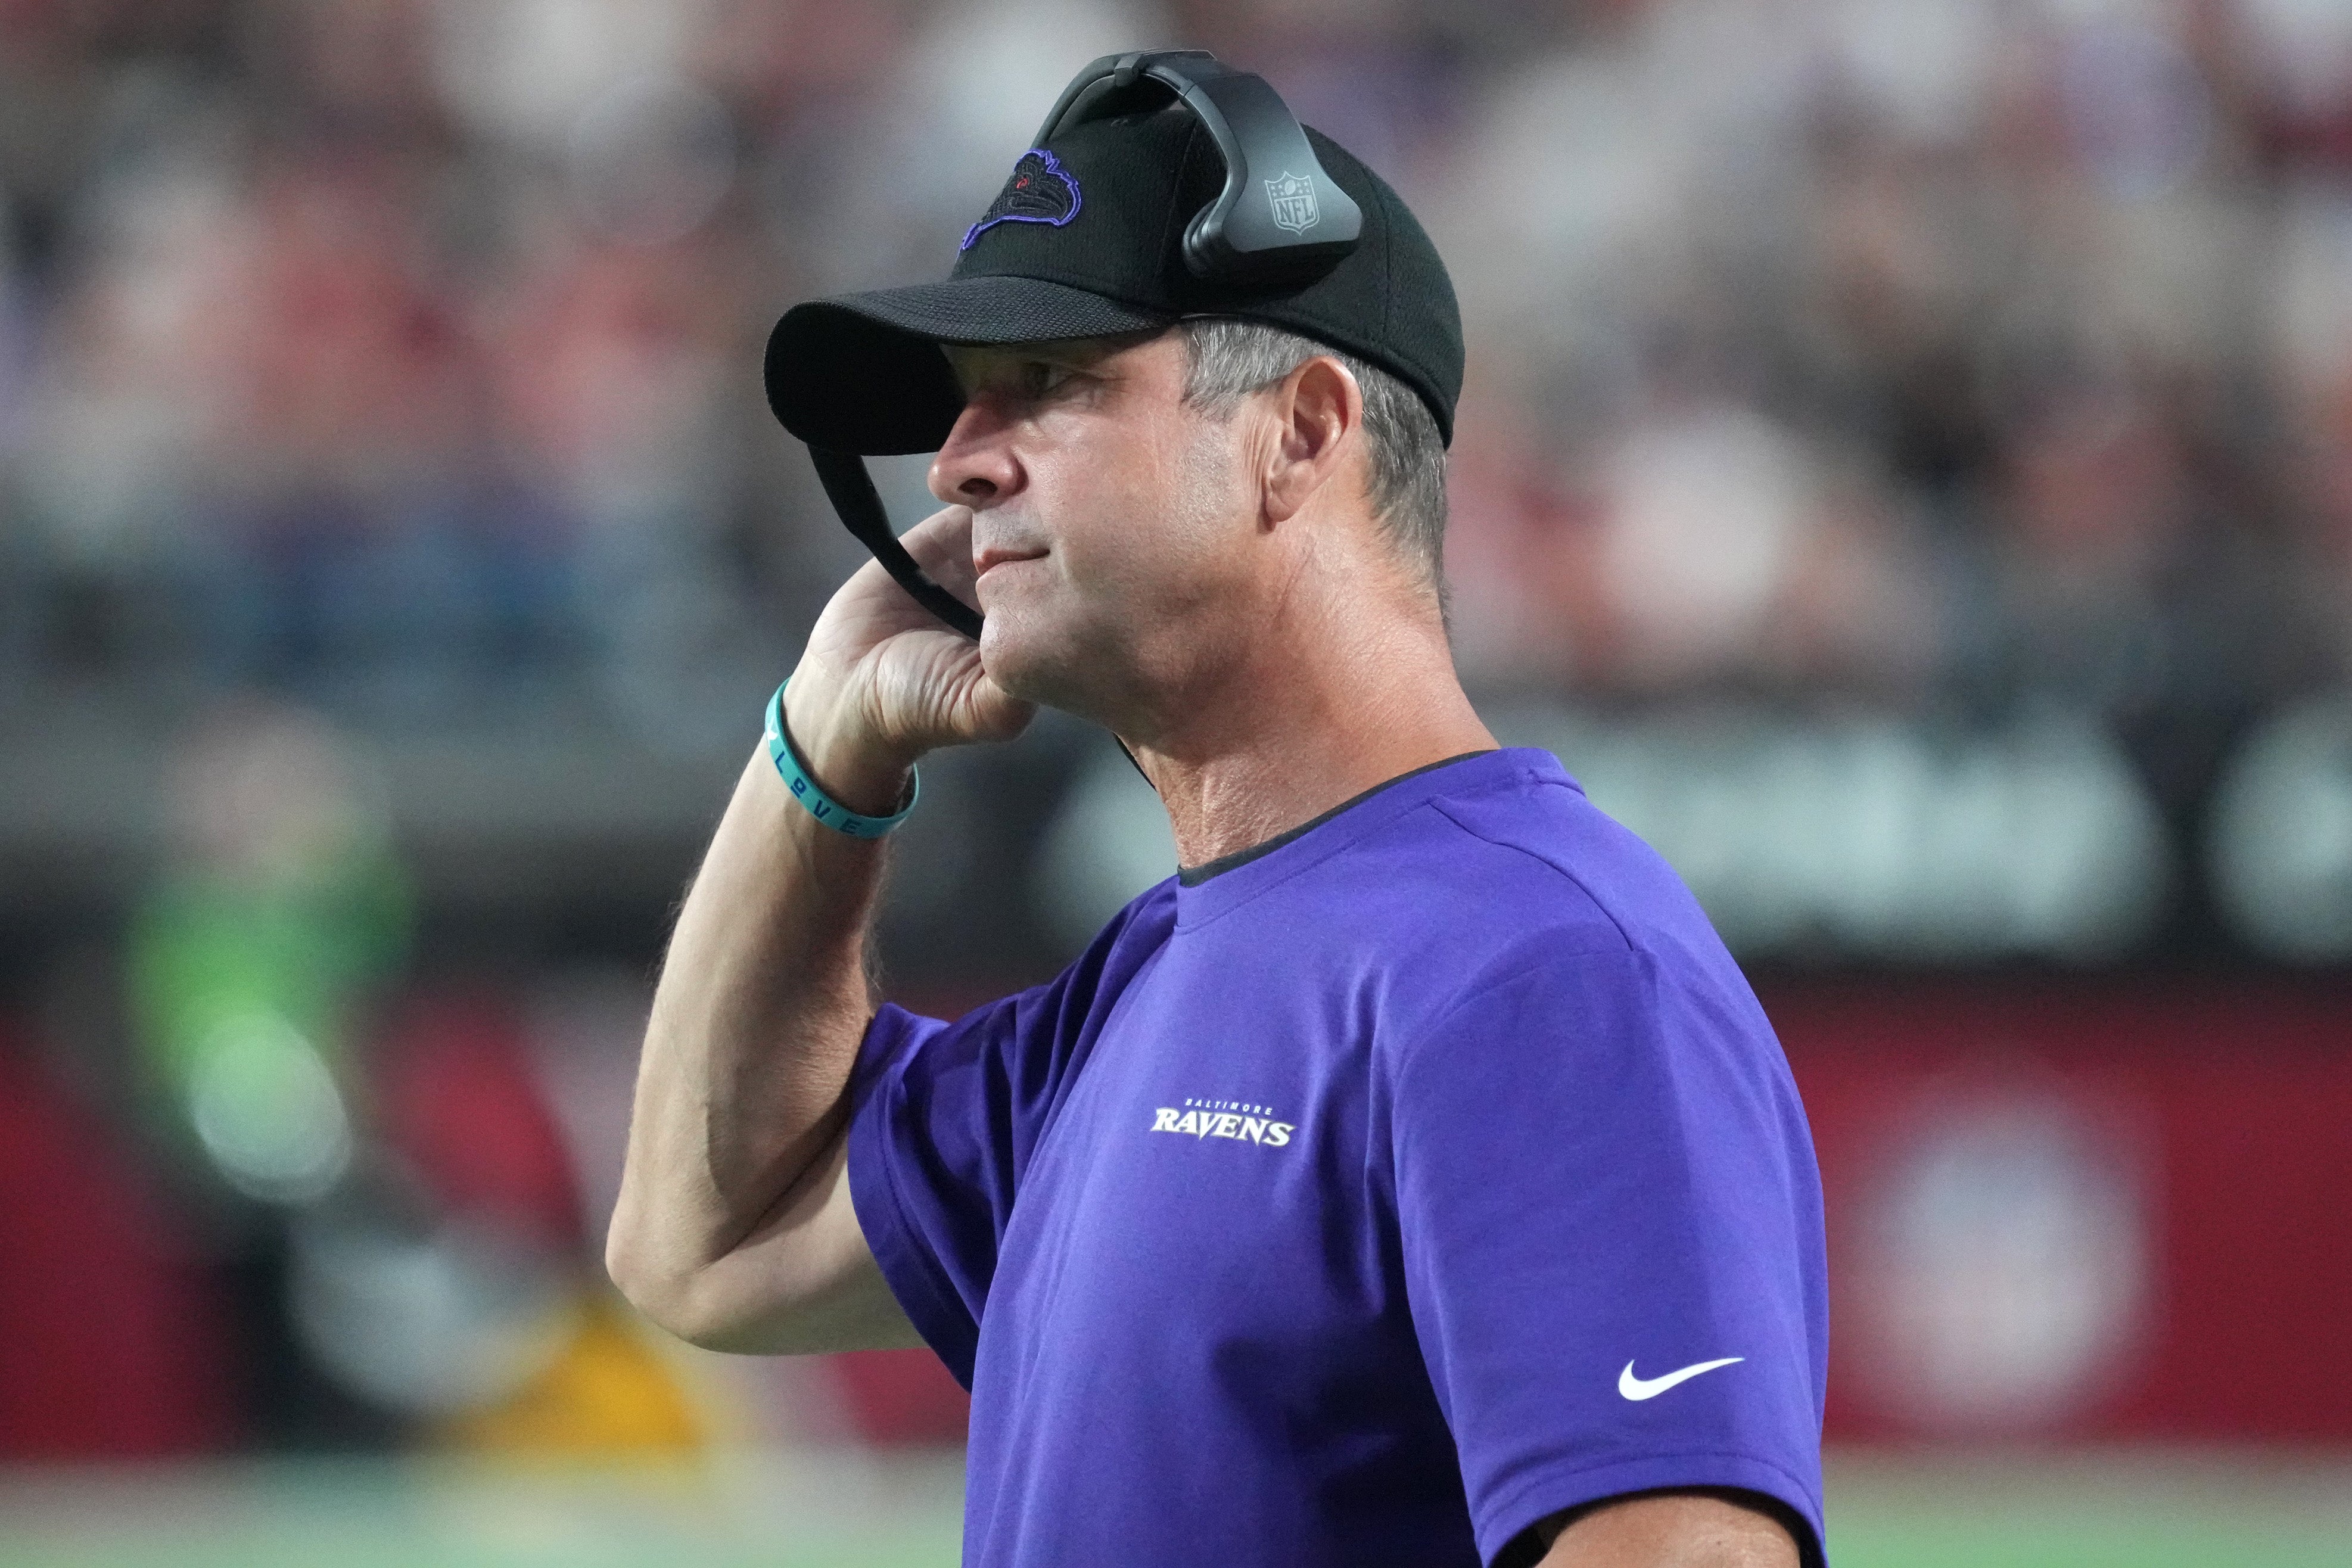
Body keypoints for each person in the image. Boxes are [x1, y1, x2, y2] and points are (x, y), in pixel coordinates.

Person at [608, 67, 1828, 1568]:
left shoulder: (1544, 967)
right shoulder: (1149, 984)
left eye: (1049, 382)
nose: (955, 463)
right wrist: (818, 754)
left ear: (1302, 433)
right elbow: (703, 1244)